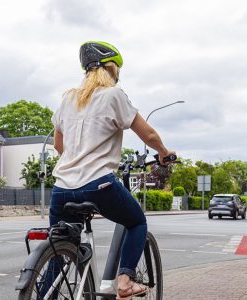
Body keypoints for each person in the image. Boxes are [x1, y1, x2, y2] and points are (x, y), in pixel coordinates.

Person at [50, 41, 176, 299]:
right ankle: (125, 281)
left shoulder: (68, 100)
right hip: (99, 185)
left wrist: (76, 159)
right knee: (137, 221)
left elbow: (58, 144)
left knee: (58, 255)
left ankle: (41, 292)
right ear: (111, 69)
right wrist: (163, 153)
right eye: (117, 68)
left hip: (61, 189)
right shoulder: (114, 96)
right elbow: (149, 134)